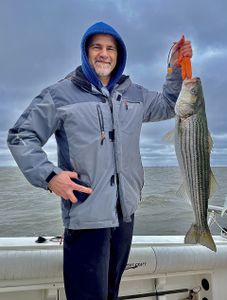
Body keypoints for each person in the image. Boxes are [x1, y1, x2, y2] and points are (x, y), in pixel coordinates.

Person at [7, 22, 192, 300]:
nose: (103, 54)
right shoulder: (60, 94)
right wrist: (49, 176)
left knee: (110, 293)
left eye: (110, 48)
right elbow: (21, 136)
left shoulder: (134, 94)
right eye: (97, 47)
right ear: (86, 52)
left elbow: (170, 104)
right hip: (86, 216)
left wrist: (175, 68)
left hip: (124, 214)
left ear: (119, 55)